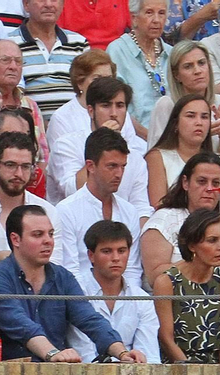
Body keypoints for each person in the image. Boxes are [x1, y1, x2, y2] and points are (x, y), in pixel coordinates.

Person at [0, 202, 145, 361]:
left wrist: (122, 353)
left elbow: (89, 319)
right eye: (38, 235)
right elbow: (20, 325)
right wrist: (52, 354)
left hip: (57, 373)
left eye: (50, 234)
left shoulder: (63, 277)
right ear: (16, 239)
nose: (48, 241)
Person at [140, 152, 220, 285]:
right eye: (202, 181)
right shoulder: (163, 220)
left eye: (216, 183)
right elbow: (154, 276)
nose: (209, 189)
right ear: (185, 183)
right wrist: (201, 265)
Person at [57, 127, 146, 291]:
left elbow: (132, 271)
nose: (119, 174)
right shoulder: (66, 210)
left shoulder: (130, 211)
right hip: (81, 304)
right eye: (112, 166)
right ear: (90, 166)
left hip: (126, 303)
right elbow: (70, 271)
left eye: (123, 166)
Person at [46, 73, 146, 203]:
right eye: (106, 106)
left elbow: (141, 206)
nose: (114, 113)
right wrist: (102, 141)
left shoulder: (135, 154)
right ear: (91, 111)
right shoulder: (66, 145)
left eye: (120, 106)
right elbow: (71, 190)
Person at [0, 131, 61, 270]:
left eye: (25, 166)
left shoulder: (48, 212)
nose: (18, 174)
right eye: (10, 165)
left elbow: (55, 267)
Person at [68, 219, 159, 361]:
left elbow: (149, 354)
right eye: (107, 251)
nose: (116, 258)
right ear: (91, 255)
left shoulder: (142, 299)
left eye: (122, 251)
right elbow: (84, 352)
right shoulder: (75, 292)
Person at [153, 208, 220, 363]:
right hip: (179, 366)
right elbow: (166, 338)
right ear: (192, 245)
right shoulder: (167, 282)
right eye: (212, 241)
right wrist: (190, 370)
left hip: (218, 366)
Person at [147, 41, 220, 161]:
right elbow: (155, 156)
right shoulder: (166, 105)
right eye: (188, 66)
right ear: (176, 75)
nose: (197, 71)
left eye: (201, 63)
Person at [106, 0, 166, 137]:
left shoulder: (171, 53)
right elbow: (115, 107)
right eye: (149, 13)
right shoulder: (117, 51)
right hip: (134, 138)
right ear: (134, 19)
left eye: (161, 13)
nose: (157, 20)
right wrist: (150, 138)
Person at [144, 92, 215, 205]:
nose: (199, 122)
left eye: (204, 117)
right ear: (175, 123)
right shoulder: (157, 157)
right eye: (191, 116)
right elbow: (158, 205)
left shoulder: (219, 161)